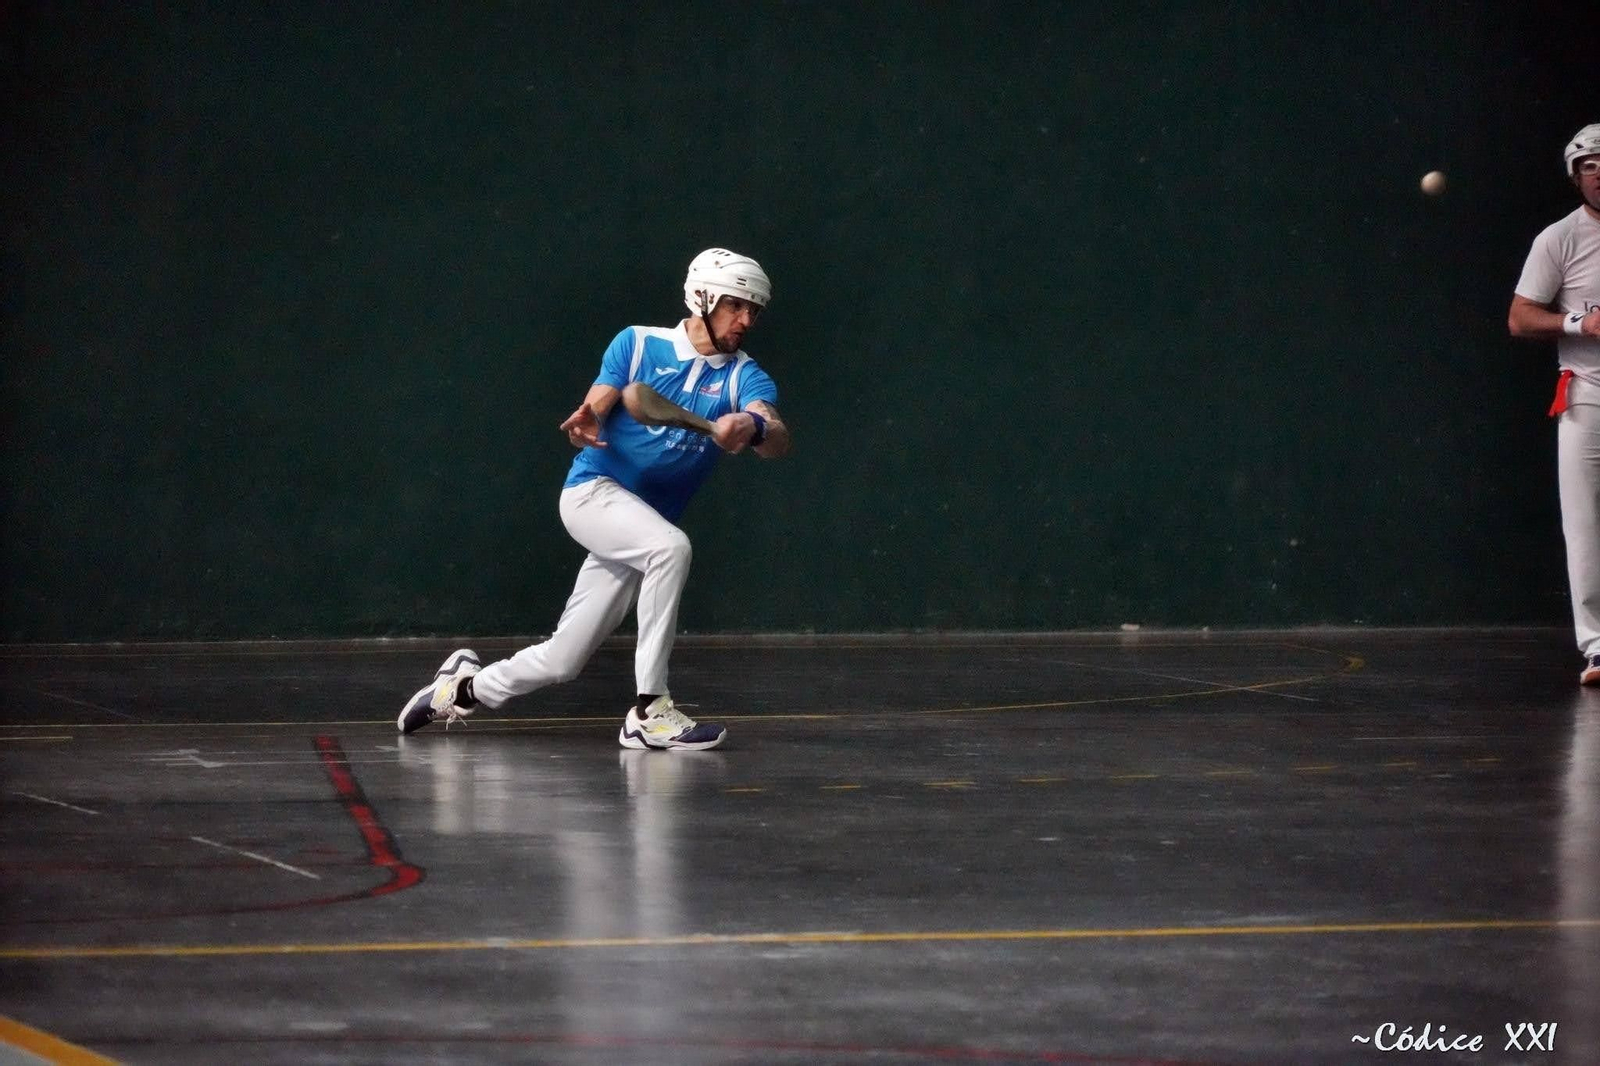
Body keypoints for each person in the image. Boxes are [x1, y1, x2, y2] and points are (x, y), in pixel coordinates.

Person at [398, 248, 791, 746]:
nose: (746, 320)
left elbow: (776, 433)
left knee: (564, 659)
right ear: (703, 297)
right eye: (737, 306)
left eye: (754, 310)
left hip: (641, 527)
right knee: (671, 548)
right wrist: (588, 414)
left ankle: (459, 690)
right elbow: (604, 396)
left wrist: (753, 425)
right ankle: (651, 710)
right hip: (593, 495)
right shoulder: (639, 344)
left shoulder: (743, 375)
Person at [1510, 123, 1600, 684]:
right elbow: (1520, 317)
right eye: (1590, 166)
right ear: (1576, 177)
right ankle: (1598, 648)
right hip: (1587, 397)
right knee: (1585, 526)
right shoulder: (1558, 240)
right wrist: (1579, 321)